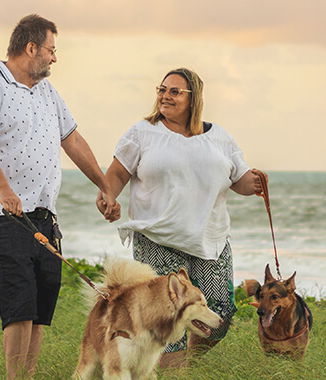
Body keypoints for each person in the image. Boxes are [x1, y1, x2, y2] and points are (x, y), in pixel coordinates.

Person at [0, 14, 117, 380]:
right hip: (4, 214)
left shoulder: (48, 92)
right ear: (31, 47)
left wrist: (104, 185)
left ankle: (27, 376)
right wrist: (3, 189)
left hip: (43, 215)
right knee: (19, 303)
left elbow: (73, 141)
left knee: (40, 302)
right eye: (51, 50)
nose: (54, 58)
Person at [97, 67, 265, 368]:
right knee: (166, 319)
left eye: (174, 91)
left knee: (220, 315)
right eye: (162, 89)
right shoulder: (142, 132)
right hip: (158, 239)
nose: (165, 96)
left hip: (209, 241)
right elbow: (117, 173)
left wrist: (254, 183)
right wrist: (108, 196)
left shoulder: (220, 138)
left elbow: (239, 180)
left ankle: (184, 360)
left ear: (194, 98)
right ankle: (171, 369)